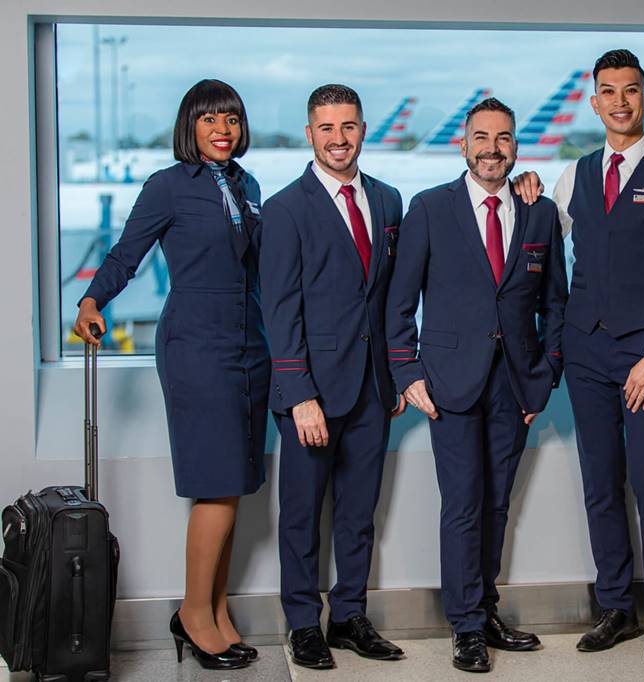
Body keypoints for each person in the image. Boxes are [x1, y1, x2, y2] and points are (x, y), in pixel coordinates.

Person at [74, 79, 266, 670]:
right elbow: (125, 254)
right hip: (196, 346)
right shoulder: (167, 187)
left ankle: (216, 608)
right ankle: (191, 613)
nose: (222, 129)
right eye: (210, 119)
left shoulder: (249, 184)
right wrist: (91, 303)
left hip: (248, 343)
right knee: (217, 483)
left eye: (231, 118)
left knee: (234, 486)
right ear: (190, 126)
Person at [526, 49, 644, 666]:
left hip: (643, 352)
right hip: (586, 350)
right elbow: (543, 240)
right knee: (601, 484)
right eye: (609, 91)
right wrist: (527, 191)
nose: (620, 101)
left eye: (632, 90)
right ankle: (616, 609)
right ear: (593, 102)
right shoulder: (573, 176)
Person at [386, 97, 568, 673]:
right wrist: (408, 373)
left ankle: (485, 607)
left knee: (495, 503)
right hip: (449, 384)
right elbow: (399, 303)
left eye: (505, 138)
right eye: (482, 138)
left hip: (515, 386)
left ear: (516, 146)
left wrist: (543, 379)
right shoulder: (430, 208)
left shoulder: (539, 212)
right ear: (462, 145)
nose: (494, 148)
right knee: (462, 505)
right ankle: (465, 626)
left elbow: (554, 303)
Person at [259, 84, 406, 670]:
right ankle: (302, 623)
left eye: (348, 127)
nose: (338, 139)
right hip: (310, 393)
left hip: (372, 388)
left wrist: (395, 374)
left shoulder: (389, 201)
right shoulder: (286, 208)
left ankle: (348, 616)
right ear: (309, 134)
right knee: (300, 515)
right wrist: (300, 395)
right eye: (327, 128)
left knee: (357, 513)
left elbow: (393, 298)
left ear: (363, 130)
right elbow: (279, 310)